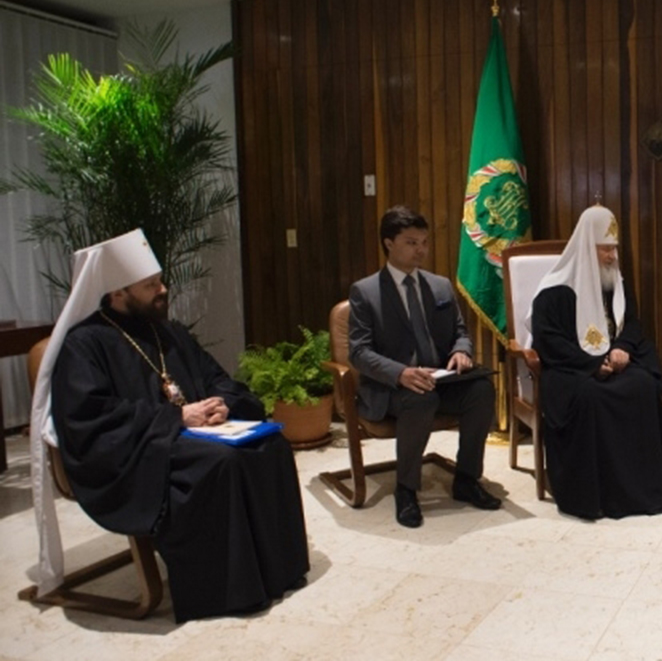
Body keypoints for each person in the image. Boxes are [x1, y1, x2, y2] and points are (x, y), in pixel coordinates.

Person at [38, 229, 310, 622]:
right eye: (150, 285)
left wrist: (223, 406)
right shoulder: (86, 344)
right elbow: (90, 418)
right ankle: (229, 591)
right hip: (136, 451)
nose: (162, 290)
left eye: (160, 280)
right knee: (220, 464)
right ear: (118, 294)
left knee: (271, 445)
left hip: (187, 435)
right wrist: (176, 418)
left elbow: (217, 379)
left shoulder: (168, 332)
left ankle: (277, 571)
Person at [347, 205, 501, 528]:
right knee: (420, 398)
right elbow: (359, 352)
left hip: (439, 380)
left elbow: (460, 332)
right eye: (411, 242)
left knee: (482, 390)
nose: (421, 250)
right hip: (393, 388)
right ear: (389, 243)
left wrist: (461, 351)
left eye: (424, 242)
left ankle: (467, 479)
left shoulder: (440, 286)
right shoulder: (366, 292)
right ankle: (406, 490)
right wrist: (401, 373)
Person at [529, 205, 662, 520]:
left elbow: (631, 324)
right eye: (606, 249)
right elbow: (549, 341)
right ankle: (596, 496)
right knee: (592, 397)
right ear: (587, 248)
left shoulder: (614, 285)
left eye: (614, 249)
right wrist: (592, 365)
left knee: (644, 385)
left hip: (613, 363)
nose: (612, 257)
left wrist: (621, 348)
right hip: (572, 369)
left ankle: (641, 493)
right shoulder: (553, 293)